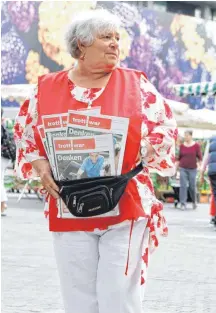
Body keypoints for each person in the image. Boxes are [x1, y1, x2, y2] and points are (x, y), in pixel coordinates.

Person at [13, 9, 177, 313]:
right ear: (81, 45)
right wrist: (39, 164)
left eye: (117, 38)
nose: (115, 44)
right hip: (69, 203)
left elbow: (165, 128)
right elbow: (25, 132)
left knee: (117, 295)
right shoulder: (46, 88)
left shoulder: (135, 84)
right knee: (78, 297)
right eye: (106, 37)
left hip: (125, 201)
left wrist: (148, 147)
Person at [177, 130, 202, 210]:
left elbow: (199, 157)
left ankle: (194, 201)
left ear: (191, 136)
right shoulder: (182, 146)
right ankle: (183, 203)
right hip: (183, 168)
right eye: (185, 136)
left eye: (187, 135)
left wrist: (200, 167)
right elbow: (179, 157)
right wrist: (176, 167)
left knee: (192, 186)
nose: (186, 137)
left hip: (193, 168)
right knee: (183, 186)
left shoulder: (196, 146)